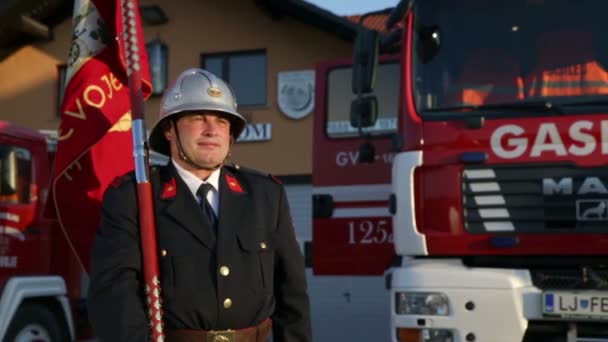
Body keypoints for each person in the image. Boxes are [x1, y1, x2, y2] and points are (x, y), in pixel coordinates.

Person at [88, 68, 312, 342]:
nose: (211, 130)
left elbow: (293, 295)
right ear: (169, 130)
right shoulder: (134, 197)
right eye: (198, 118)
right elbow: (115, 296)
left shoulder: (265, 194)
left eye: (221, 121)